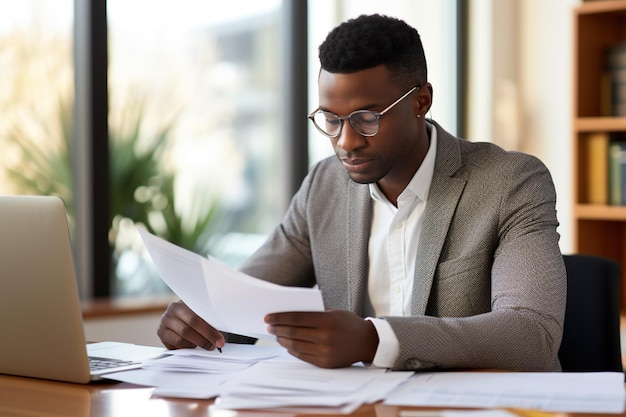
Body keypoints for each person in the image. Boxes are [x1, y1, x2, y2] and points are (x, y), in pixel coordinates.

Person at [157, 14, 566, 372]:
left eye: (366, 118)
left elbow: (531, 332)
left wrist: (376, 340)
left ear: (421, 101)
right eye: (330, 120)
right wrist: (203, 319)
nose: (346, 142)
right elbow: (244, 302)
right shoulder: (324, 187)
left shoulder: (510, 182)